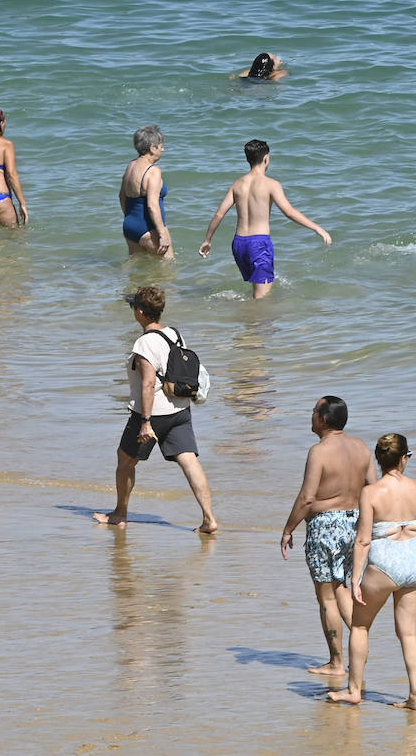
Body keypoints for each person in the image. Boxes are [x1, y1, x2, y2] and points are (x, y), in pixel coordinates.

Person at [93, 286, 217, 533]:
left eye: (134, 307)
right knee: (190, 462)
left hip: (153, 413)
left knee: (125, 461)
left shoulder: (144, 343)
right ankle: (209, 519)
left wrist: (146, 422)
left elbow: (148, 383)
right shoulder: (174, 334)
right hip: (180, 410)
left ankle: (119, 514)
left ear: (140, 312)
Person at [327, 434, 416, 710]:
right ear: (404, 459)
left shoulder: (371, 492)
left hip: (384, 562)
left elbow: (363, 540)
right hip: (415, 560)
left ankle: (353, 690)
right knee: (408, 633)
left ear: (379, 459)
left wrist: (355, 578)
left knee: (360, 626)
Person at [280, 396, 374, 677]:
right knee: (342, 587)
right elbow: (372, 489)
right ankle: (359, 650)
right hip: (355, 523)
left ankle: (336, 663)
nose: (310, 416)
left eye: (313, 411)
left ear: (322, 419)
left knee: (327, 597)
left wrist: (288, 529)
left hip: (325, 527)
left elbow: (307, 498)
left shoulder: (319, 452)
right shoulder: (361, 447)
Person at [198, 139, 331, 299]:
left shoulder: (237, 185)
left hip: (239, 244)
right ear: (266, 158)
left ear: (248, 159)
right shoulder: (271, 184)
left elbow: (219, 214)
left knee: (256, 292)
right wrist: (317, 228)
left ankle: (245, 313)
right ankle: (252, 315)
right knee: (261, 299)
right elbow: (289, 212)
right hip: (259, 244)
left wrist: (207, 240)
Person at [118, 125, 173, 257]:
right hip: (148, 227)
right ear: (153, 148)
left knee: (135, 266)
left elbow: (121, 196)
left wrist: (131, 219)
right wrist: (162, 234)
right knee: (168, 266)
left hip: (129, 225)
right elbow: (152, 206)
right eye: (161, 146)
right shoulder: (153, 171)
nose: (163, 149)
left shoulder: (131, 166)